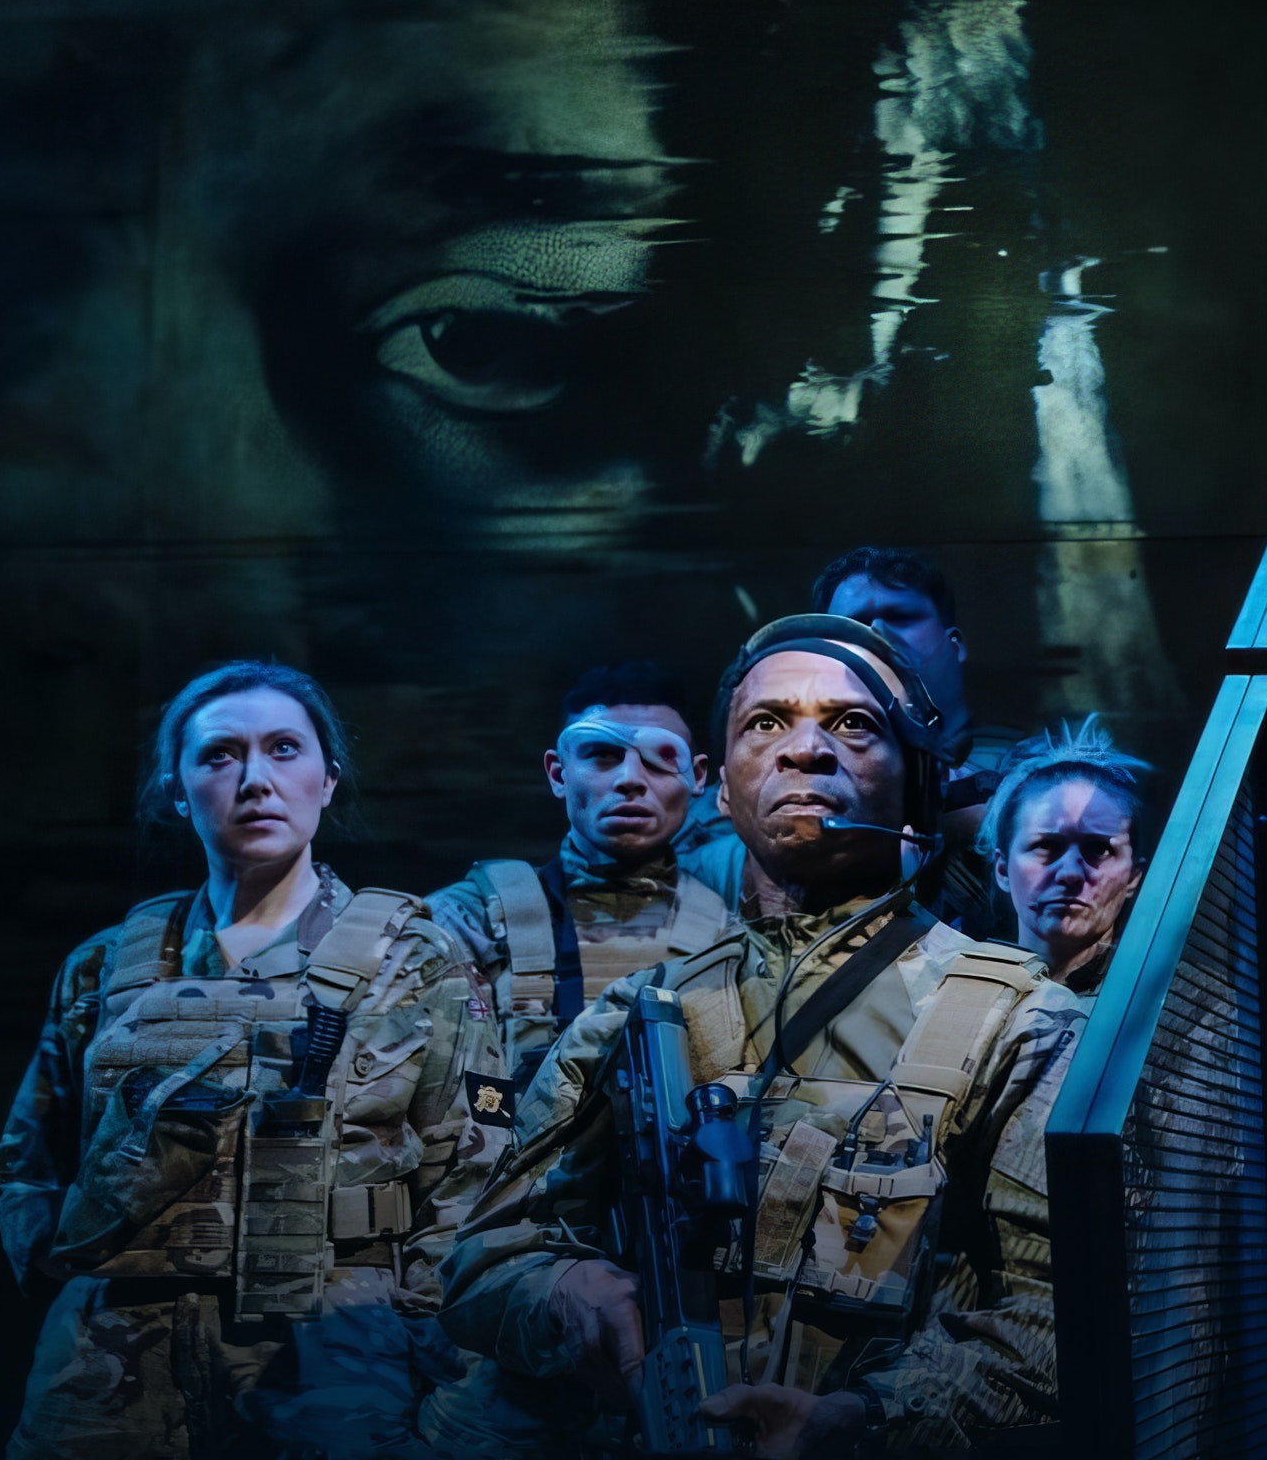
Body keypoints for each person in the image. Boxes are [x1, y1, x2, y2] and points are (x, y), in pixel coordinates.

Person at [444, 614, 1084, 1459]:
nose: (805, 750)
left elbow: (1064, 1313)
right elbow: (485, 1258)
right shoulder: (641, 1013)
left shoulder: (1019, 1023)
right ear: (722, 789)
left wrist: (865, 1419)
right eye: (767, 723)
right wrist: (573, 1293)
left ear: (920, 779)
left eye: (853, 724)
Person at [0, 661, 486, 1459]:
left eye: (284, 749)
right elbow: (31, 1158)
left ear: (328, 780)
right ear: (176, 789)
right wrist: (67, 1271)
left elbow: (470, 1168)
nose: (256, 779)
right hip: (115, 1348)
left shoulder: (414, 959)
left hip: (332, 1339)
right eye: (220, 755)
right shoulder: (109, 964)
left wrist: (427, 1335)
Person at [429, 661, 736, 1119]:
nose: (631, 778)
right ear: (558, 774)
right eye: (603, 755)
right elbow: (447, 1096)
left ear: (697, 777)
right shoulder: (471, 921)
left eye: (660, 758)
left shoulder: (730, 931)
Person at [816, 546, 1034, 872]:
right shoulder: (804, 770)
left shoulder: (1031, 773)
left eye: (901, 618)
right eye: (853, 625)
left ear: (954, 645)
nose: (878, 634)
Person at [977, 721, 1151, 993]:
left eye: (1099, 849)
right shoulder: (952, 986)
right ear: (1002, 869)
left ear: (1133, 877)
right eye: (1046, 846)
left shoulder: (1170, 997)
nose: (1070, 873)